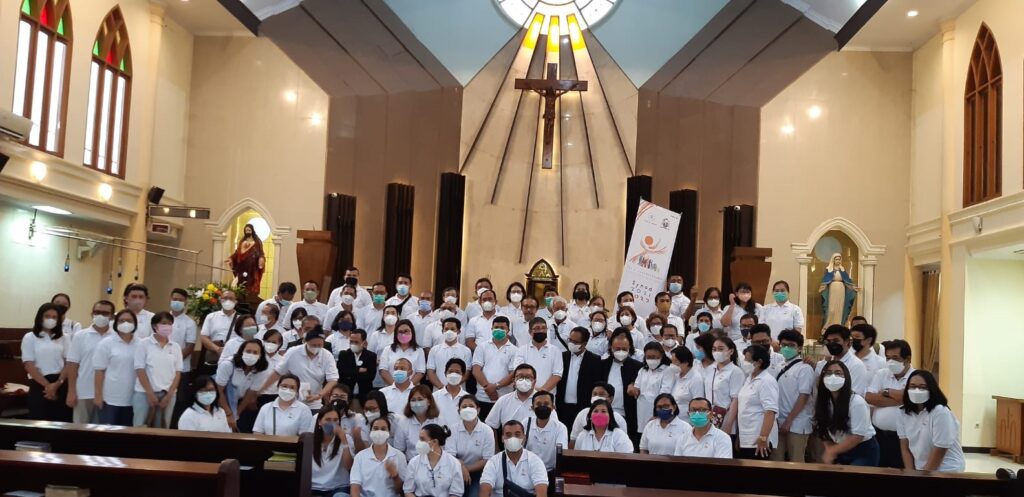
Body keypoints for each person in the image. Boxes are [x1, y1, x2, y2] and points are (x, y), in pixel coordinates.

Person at [898, 370, 965, 472]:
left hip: (947, 468)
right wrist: (911, 474)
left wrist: (925, 476)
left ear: (931, 389)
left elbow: (940, 449)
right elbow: (905, 447)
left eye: (922, 387)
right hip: (921, 468)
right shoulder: (902, 412)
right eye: (912, 386)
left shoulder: (940, 412)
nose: (917, 390)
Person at [815, 360, 879, 466]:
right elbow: (823, 429)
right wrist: (830, 448)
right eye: (829, 373)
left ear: (846, 378)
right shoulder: (824, 402)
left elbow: (858, 436)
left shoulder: (856, 402)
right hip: (839, 447)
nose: (833, 377)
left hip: (862, 449)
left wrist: (832, 451)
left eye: (838, 373)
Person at [262, 327, 339, 410]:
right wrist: (262, 389)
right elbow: (278, 372)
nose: (316, 347)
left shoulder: (327, 355)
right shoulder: (293, 352)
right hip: (290, 401)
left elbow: (332, 380)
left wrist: (319, 395)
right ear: (306, 341)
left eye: (319, 345)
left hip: (314, 403)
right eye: (313, 345)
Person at [66, 300, 117, 424]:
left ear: (112, 316)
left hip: (109, 394)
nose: (100, 316)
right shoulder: (80, 335)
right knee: (80, 429)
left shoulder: (116, 337)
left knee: (103, 429)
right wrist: (71, 391)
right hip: (84, 391)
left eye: (105, 313)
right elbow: (72, 365)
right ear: (92, 314)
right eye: (97, 312)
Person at [866, 339, 915, 468]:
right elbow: (869, 397)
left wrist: (886, 392)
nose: (891, 362)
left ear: (907, 359)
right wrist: (900, 398)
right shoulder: (882, 374)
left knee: (901, 471)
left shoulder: (916, 377)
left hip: (905, 438)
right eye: (888, 358)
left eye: (895, 358)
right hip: (879, 435)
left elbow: (912, 399)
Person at [133, 312, 183, 427]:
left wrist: (169, 395)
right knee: (140, 427)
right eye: (163, 323)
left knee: (163, 428)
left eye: (170, 324)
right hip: (144, 393)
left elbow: (178, 373)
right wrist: (150, 393)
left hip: (168, 394)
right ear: (154, 325)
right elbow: (140, 370)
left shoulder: (175, 346)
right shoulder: (143, 344)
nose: (167, 326)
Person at [771, 329, 815, 462]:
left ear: (799, 348)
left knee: (796, 461)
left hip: (797, 423)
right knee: (776, 460)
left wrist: (789, 421)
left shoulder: (804, 368)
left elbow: (804, 396)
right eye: (784, 345)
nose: (786, 348)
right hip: (778, 421)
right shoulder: (778, 366)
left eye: (791, 345)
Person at [22, 302, 71, 421]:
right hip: (39, 382)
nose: (51, 319)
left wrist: (57, 384)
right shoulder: (30, 337)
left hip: (60, 382)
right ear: (40, 317)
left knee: (61, 420)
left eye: (54, 317)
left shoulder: (65, 337)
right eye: (47, 316)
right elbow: (28, 364)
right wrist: (48, 386)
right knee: (38, 420)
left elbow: (69, 363)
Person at [93, 309, 141, 426]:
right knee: (108, 433)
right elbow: (99, 371)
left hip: (133, 399)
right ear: (115, 323)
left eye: (129, 320)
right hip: (110, 399)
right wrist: (98, 395)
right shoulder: (106, 343)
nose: (125, 323)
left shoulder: (141, 344)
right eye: (121, 321)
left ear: (135, 323)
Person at [479, 420, 549, 497]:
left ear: (524, 438)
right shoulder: (493, 462)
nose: (513, 438)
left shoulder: (535, 461)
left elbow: (542, 493)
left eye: (517, 434)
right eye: (508, 435)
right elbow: (484, 490)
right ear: (502, 438)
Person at [216, 339, 272, 432]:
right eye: (248, 351)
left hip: (241, 402)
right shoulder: (227, 365)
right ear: (241, 352)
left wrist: (236, 415)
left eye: (255, 352)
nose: (251, 355)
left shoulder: (262, 370)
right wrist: (228, 414)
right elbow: (219, 391)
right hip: (222, 400)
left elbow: (250, 395)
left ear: (260, 356)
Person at [446, 395, 495, 497]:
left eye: (471, 406)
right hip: (455, 471)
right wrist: (461, 468)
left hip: (479, 473)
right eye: (464, 406)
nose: (468, 409)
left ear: (478, 410)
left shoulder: (487, 430)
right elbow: (450, 456)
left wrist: (466, 469)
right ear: (459, 411)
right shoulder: (453, 430)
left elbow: (487, 459)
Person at [737, 345, 779, 460]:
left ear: (759, 362)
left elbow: (770, 411)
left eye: (747, 360)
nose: (744, 363)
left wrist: (763, 437)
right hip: (746, 437)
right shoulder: (748, 379)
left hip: (758, 438)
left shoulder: (766, 381)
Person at [471, 316, 517, 420]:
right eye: (496, 327)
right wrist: (489, 389)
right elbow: (476, 370)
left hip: (505, 398)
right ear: (491, 329)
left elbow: (512, 374)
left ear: (508, 330)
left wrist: (496, 386)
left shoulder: (514, 350)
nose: (499, 330)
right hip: (483, 397)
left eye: (502, 328)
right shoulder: (482, 347)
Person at [600, 329, 642, 439]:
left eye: (624, 349)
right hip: (604, 413)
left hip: (628, 416)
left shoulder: (638, 367)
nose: (621, 352)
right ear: (611, 347)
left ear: (630, 348)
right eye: (617, 349)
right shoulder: (601, 365)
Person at [351, 416, 408, 497]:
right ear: (370, 432)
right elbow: (355, 488)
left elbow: (403, 491)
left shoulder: (399, 456)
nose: (379, 432)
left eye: (383, 429)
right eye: (375, 428)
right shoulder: (360, 457)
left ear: (389, 433)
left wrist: (395, 476)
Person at [557, 326, 602, 424]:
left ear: (584, 343)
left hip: (583, 407)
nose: (571, 344)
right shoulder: (562, 357)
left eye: (575, 342)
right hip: (562, 407)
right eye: (570, 340)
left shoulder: (594, 360)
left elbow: (596, 384)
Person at [403, 423, 464, 497]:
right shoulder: (414, 462)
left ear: (435, 442)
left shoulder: (454, 463)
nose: (419, 442)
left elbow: (456, 493)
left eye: (422, 439)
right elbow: (408, 491)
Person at [311, 404, 357, 497]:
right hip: (315, 487)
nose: (332, 423)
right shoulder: (310, 440)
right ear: (319, 422)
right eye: (328, 420)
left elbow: (349, 466)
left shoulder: (346, 438)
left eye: (336, 420)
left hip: (339, 487)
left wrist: (344, 441)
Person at [168, 288, 198, 426]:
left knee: (179, 403)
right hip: (162, 369)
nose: (177, 302)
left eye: (180, 300)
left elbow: (190, 347)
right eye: (175, 299)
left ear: (185, 302)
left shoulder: (189, 323)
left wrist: (174, 361)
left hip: (181, 369)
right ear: (170, 299)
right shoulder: (162, 319)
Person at [815, 325, 869, 396]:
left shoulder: (856, 365)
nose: (831, 344)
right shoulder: (822, 364)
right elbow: (817, 390)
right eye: (828, 341)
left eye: (836, 340)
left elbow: (854, 394)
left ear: (846, 341)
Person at [513, 318, 563, 394]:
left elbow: (557, 374)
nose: (541, 331)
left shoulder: (556, 350)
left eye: (543, 328)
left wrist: (542, 391)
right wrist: (532, 390)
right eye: (537, 328)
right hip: (525, 394)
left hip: (547, 395)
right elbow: (519, 373)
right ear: (530, 332)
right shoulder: (521, 350)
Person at [523, 390, 568, 474]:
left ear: (553, 407)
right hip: (527, 471)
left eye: (546, 404)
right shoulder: (525, 423)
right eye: (538, 404)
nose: (542, 406)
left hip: (550, 472)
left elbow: (561, 453)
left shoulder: (560, 428)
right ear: (532, 408)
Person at [706, 337, 743, 435]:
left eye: (721, 349)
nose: (717, 352)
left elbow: (735, 399)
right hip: (709, 419)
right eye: (714, 349)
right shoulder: (710, 369)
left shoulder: (735, 372)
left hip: (725, 419)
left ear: (731, 351)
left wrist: (729, 424)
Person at [485, 364, 538, 430]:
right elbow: (490, 426)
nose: (524, 380)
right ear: (514, 381)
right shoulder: (503, 401)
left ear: (534, 382)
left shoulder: (543, 401)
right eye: (520, 377)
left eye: (528, 377)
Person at [397, 384, 443, 460]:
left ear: (429, 402)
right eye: (413, 400)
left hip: (435, 463)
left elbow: (445, 448)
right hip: (410, 463)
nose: (417, 403)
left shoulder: (439, 421)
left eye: (420, 399)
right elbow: (399, 450)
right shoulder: (403, 422)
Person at [199, 290, 239, 372]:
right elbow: (204, 337)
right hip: (215, 358)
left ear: (236, 302)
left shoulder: (241, 319)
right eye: (225, 298)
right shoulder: (211, 317)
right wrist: (218, 349)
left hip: (235, 359)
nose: (228, 301)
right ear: (220, 300)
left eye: (231, 298)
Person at [428, 318, 473, 389]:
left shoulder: (466, 351)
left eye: (452, 329)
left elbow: (466, 372)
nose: (449, 331)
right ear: (442, 331)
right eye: (446, 329)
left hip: (459, 391)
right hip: (438, 391)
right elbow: (430, 371)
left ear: (459, 331)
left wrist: (452, 387)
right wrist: (441, 387)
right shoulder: (434, 350)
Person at [378, 319, 426, 386]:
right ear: (396, 334)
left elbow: (420, 372)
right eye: (400, 332)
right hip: (391, 387)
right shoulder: (388, 349)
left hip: (412, 389)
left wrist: (407, 387)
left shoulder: (419, 350)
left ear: (412, 332)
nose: (403, 334)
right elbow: (383, 370)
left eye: (406, 331)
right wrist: (395, 386)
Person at [664, 346, 704, 425]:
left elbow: (698, 404)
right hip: (673, 420)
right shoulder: (676, 375)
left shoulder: (695, 379)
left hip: (687, 422)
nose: (672, 365)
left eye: (676, 362)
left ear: (686, 363)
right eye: (672, 362)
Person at [338, 329, 377, 405]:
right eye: (351, 341)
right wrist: (358, 370)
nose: (353, 344)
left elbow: (370, 376)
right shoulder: (343, 354)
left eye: (356, 342)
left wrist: (350, 373)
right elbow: (342, 372)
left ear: (364, 342)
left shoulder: (371, 356)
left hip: (364, 395)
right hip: (346, 395)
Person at [819, 253, 858, 328]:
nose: (838, 261)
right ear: (833, 260)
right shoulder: (829, 269)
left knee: (840, 308)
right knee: (832, 309)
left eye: (839, 259)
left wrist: (853, 288)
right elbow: (826, 280)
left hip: (841, 288)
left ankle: (839, 324)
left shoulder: (842, 270)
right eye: (836, 259)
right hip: (833, 288)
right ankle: (829, 325)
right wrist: (822, 287)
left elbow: (847, 281)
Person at [228, 223, 266, 295]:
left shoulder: (257, 242)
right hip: (241, 267)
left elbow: (260, 253)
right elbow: (237, 253)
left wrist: (261, 258)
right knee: (241, 284)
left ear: (252, 231)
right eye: (246, 230)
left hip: (252, 269)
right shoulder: (242, 241)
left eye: (249, 230)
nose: (247, 232)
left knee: (252, 284)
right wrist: (231, 258)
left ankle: (251, 297)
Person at [433, 358, 469, 429]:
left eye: (457, 372)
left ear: (463, 375)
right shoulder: (434, 396)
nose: (453, 375)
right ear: (445, 373)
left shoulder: (468, 398)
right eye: (450, 371)